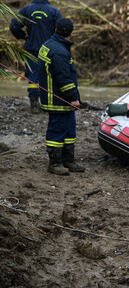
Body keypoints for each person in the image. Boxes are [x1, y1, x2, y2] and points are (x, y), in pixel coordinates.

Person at [38, 18, 84, 176]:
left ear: (56, 30)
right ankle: (55, 163)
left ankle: (68, 160)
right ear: (71, 34)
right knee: (57, 130)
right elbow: (63, 78)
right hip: (57, 99)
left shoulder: (50, 44)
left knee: (70, 130)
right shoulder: (59, 51)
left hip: (58, 98)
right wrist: (73, 97)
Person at [10, 0, 63, 114]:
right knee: (50, 75)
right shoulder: (54, 11)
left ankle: (34, 104)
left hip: (32, 49)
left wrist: (22, 36)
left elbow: (13, 25)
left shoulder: (27, 10)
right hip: (50, 50)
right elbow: (61, 30)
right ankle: (49, 103)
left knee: (33, 75)